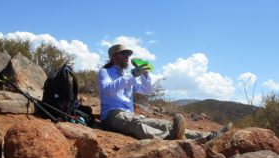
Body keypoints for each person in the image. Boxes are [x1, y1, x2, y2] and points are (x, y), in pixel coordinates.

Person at [97, 44, 231, 141]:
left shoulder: (127, 75)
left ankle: (208, 136)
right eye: (123, 53)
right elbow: (107, 90)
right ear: (113, 57)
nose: (127, 56)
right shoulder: (105, 72)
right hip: (112, 115)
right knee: (136, 124)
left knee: (165, 124)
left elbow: (147, 90)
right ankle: (176, 138)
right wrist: (132, 75)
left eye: (128, 54)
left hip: (129, 114)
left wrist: (145, 75)